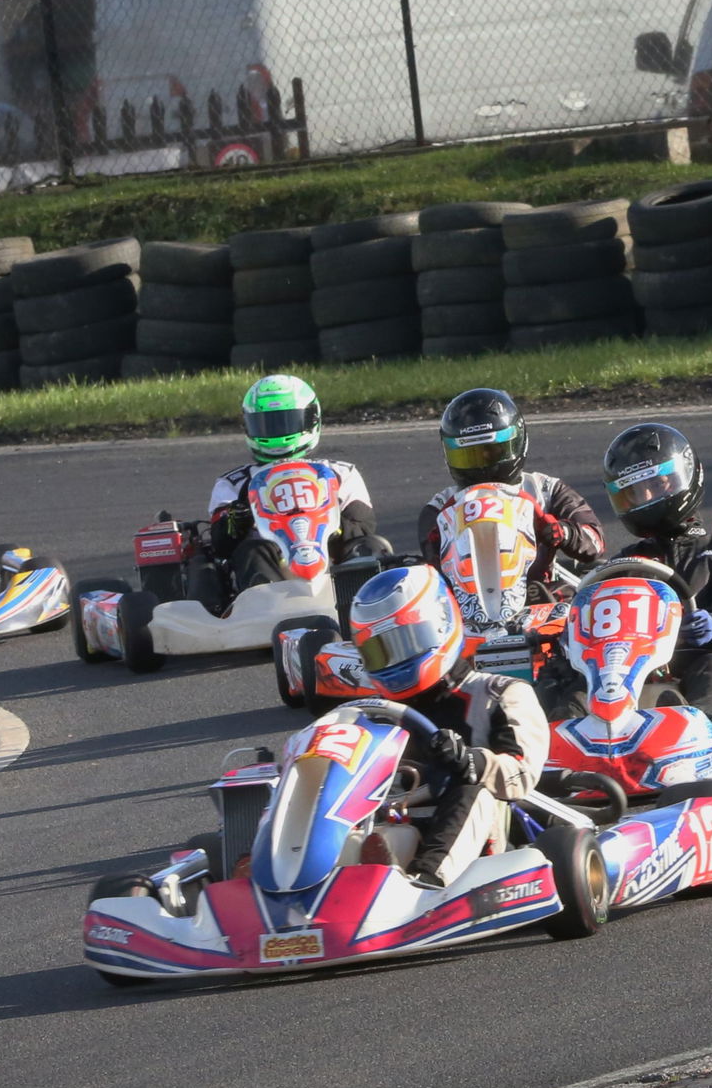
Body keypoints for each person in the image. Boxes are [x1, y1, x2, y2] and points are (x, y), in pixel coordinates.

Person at [348, 564, 549, 890]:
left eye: (405, 642)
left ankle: (426, 885)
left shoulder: (500, 693)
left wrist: (470, 761)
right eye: (380, 651)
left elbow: (521, 776)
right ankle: (300, 884)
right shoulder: (376, 712)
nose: (394, 660)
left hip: (485, 829)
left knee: (474, 790)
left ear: (440, 623)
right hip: (396, 816)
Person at [603, 423, 712, 726]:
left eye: (657, 484)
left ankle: (698, 729)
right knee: (567, 680)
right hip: (626, 671)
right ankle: (562, 733)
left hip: (697, 657)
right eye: (635, 492)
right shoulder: (623, 564)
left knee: (710, 669)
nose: (647, 496)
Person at [417, 388, 603, 594]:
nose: (482, 465)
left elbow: (594, 541)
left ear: (517, 441)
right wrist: (440, 542)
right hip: (464, 605)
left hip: (538, 598)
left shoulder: (545, 490)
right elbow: (430, 561)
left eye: (492, 453)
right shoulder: (440, 507)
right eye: (470, 456)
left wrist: (562, 532)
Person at [208, 374, 381, 591]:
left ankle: (368, 604)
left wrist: (325, 520)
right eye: (267, 424)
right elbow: (221, 544)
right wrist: (236, 522)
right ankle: (268, 613)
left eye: (286, 421)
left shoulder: (340, 473)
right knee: (252, 550)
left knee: (371, 546)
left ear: (311, 419)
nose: (278, 433)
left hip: (331, 562)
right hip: (273, 564)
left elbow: (364, 528)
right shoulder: (234, 483)